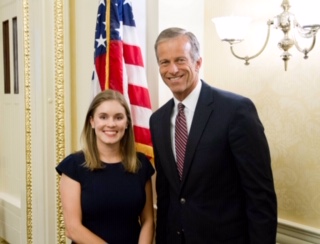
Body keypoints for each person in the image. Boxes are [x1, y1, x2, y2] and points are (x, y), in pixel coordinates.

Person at [150, 27, 277, 244]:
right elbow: (166, 195)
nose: (172, 69)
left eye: (180, 60)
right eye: (164, 62)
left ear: (198, 63)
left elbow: (260, 197)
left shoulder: (235, 111)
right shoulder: (158, 120)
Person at [56, 89, 155, 244]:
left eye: (118, 117)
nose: (111, 124)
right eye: (103, 117)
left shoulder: (141, 164)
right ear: (92, 121)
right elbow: (73, 228)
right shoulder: (74, 166)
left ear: (127, 122)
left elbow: (148, 220)